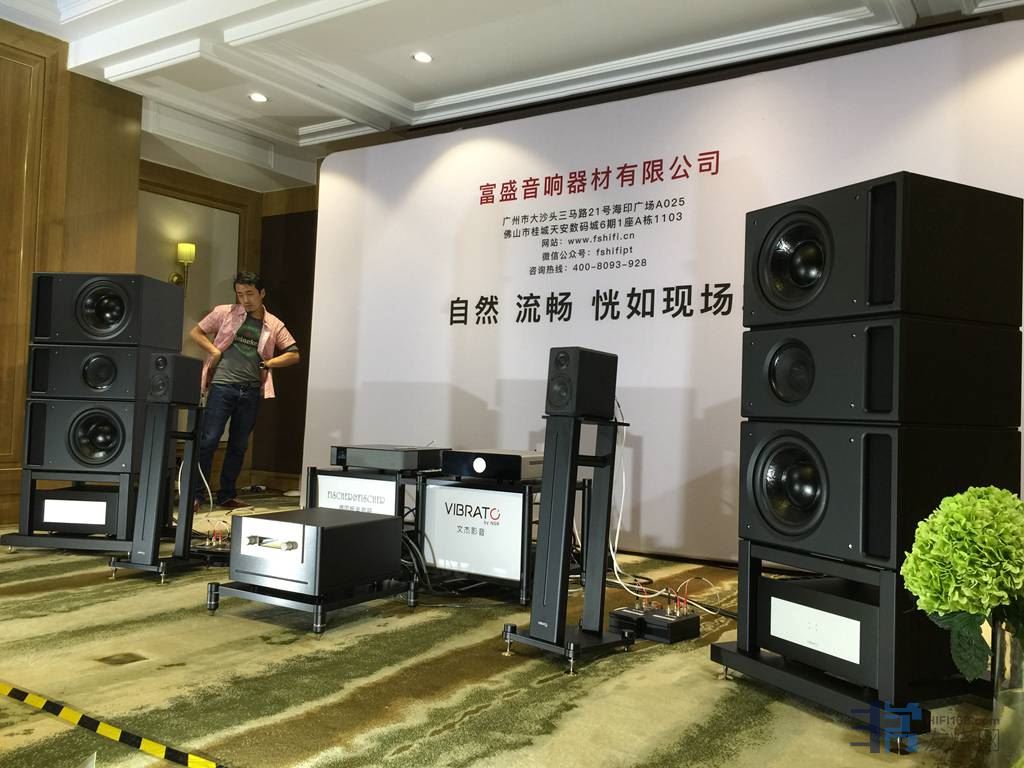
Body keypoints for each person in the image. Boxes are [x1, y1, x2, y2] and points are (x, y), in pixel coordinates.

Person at [190, 271, 300, 509]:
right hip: (222, 386)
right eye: (240, 294)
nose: (245, 299)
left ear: (262, 293)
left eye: (250, 294)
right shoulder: (225, 312)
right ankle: (196, 494)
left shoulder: (273, 324)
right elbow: (196, 332)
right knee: (208, 440)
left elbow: (293, 354)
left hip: (250, 390)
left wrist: (269, 363)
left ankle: (227, 494)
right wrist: (214, 350)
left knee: (239, 444)